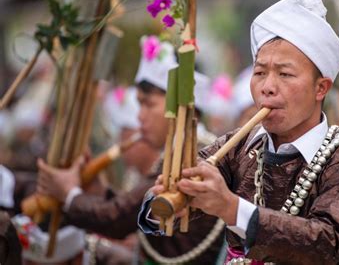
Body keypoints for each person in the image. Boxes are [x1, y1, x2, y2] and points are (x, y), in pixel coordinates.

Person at [139, 0, 339, 265]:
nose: (267, 87)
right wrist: (167, 199)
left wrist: (231, 208)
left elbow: (325, 242)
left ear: (321, 88)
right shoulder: (239, 146)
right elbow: (187, 175)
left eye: (285, 74)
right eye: (260, 72)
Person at [37, 36, 224, 264]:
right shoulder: (182, 150)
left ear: (181, 108)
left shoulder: (194, 155)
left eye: (148, 104)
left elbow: (117, 218)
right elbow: (132, 210)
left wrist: (68, 194)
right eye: (139, 104)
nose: (139, 116)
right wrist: (98, 191)